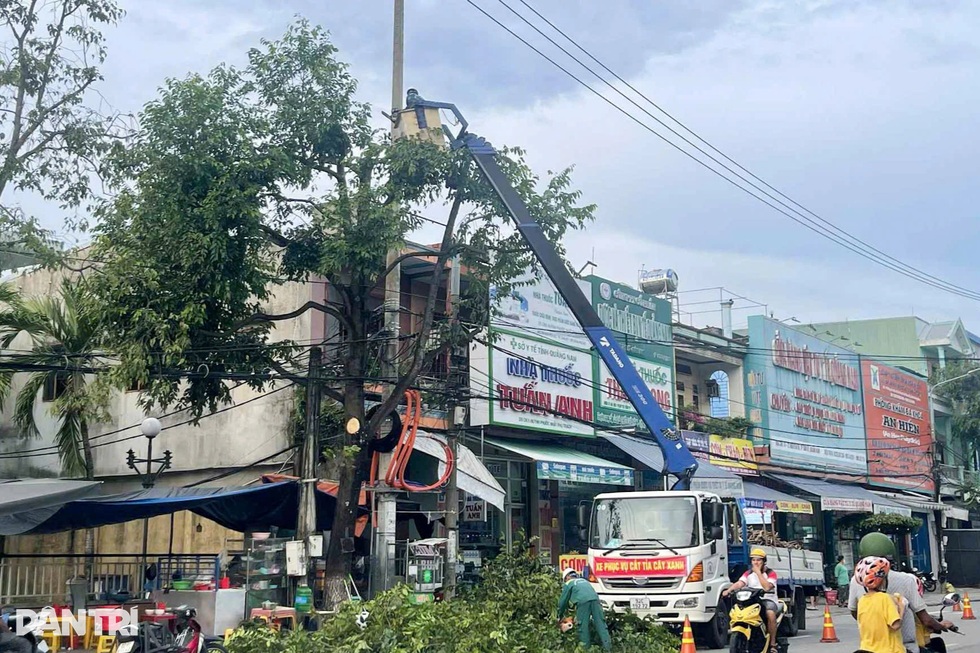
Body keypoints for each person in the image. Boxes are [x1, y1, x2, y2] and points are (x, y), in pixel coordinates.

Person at [848, 533, 953, 653]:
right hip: (899, 648)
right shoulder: (899, 586)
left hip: (867, 648)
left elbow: (854, 612)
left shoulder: (858, 586)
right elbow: (924, 620)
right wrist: (902, 607)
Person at [723, 548, 780, 643]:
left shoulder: (771, 573)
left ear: (764, 561)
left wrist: (758, 573)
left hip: (768, 600)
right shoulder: (748, 573)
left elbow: (766, 587)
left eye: (758, 560)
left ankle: (772, 643)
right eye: (753, 560)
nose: (756, 562)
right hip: (752, 600)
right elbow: (740, 583)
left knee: (770, 614)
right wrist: (729, 590)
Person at [855, 556, 906, 653]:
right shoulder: (884, 598)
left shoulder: (862, 601)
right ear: (882, 579)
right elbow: (895, 625)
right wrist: (901, 607)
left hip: (866, 649)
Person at [557, 568, 611, 652]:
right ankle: (608, 648)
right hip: (595, 600)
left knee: (582, 626)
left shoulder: (569, 583)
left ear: (567, 577)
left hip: (583, 602)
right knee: (601, 624)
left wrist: (559, 616)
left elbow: (562, 602)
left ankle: (585, 649)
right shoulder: (584, 581)